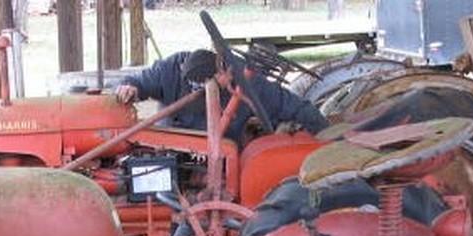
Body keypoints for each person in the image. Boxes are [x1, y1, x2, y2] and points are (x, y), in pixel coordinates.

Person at [115, 49, 327, 144]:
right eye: (220, 77)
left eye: (225, 70)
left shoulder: (245, 81)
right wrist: (130, 87)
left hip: (224, 155)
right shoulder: (170, 69)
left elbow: (292, 105)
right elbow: (139, 81)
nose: (227, 78)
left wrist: (329, 134)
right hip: (174, 147)